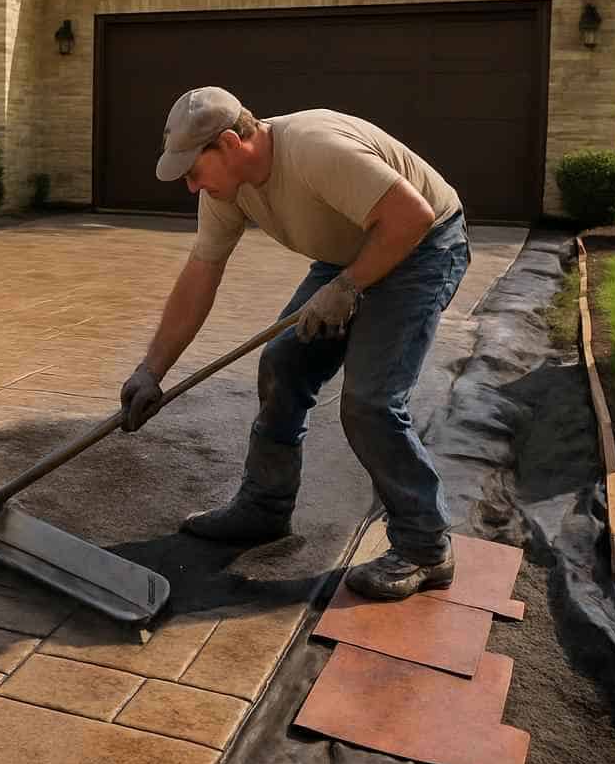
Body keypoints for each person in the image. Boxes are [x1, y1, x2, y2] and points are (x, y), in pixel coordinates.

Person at [119, 86, 471, 600]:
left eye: (194, 168)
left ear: (230, 144)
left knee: (370, 401)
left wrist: (349, 286)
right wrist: (151, 370)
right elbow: (201, 273)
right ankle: (264, 508)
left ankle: (425, 546)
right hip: (349, 249)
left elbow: (411, 217)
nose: (191, 184)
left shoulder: (314, 148)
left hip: (422, 246)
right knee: (284, 363)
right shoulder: (228, 190)